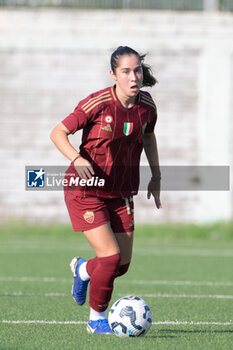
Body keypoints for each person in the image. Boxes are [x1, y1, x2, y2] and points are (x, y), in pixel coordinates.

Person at [50, 46, 162, 335]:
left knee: (119, 266)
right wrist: (76, 158)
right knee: (110, 258)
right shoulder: (97, 103)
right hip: (86, 188)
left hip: (121, 191)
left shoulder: (147, 106)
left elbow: (148, 139)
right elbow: (57, 132)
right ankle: (96, 319)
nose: (133, 76)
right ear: (113, 75)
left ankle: (84, 270)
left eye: (137, 70)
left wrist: (156, 176)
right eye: (125, 71)